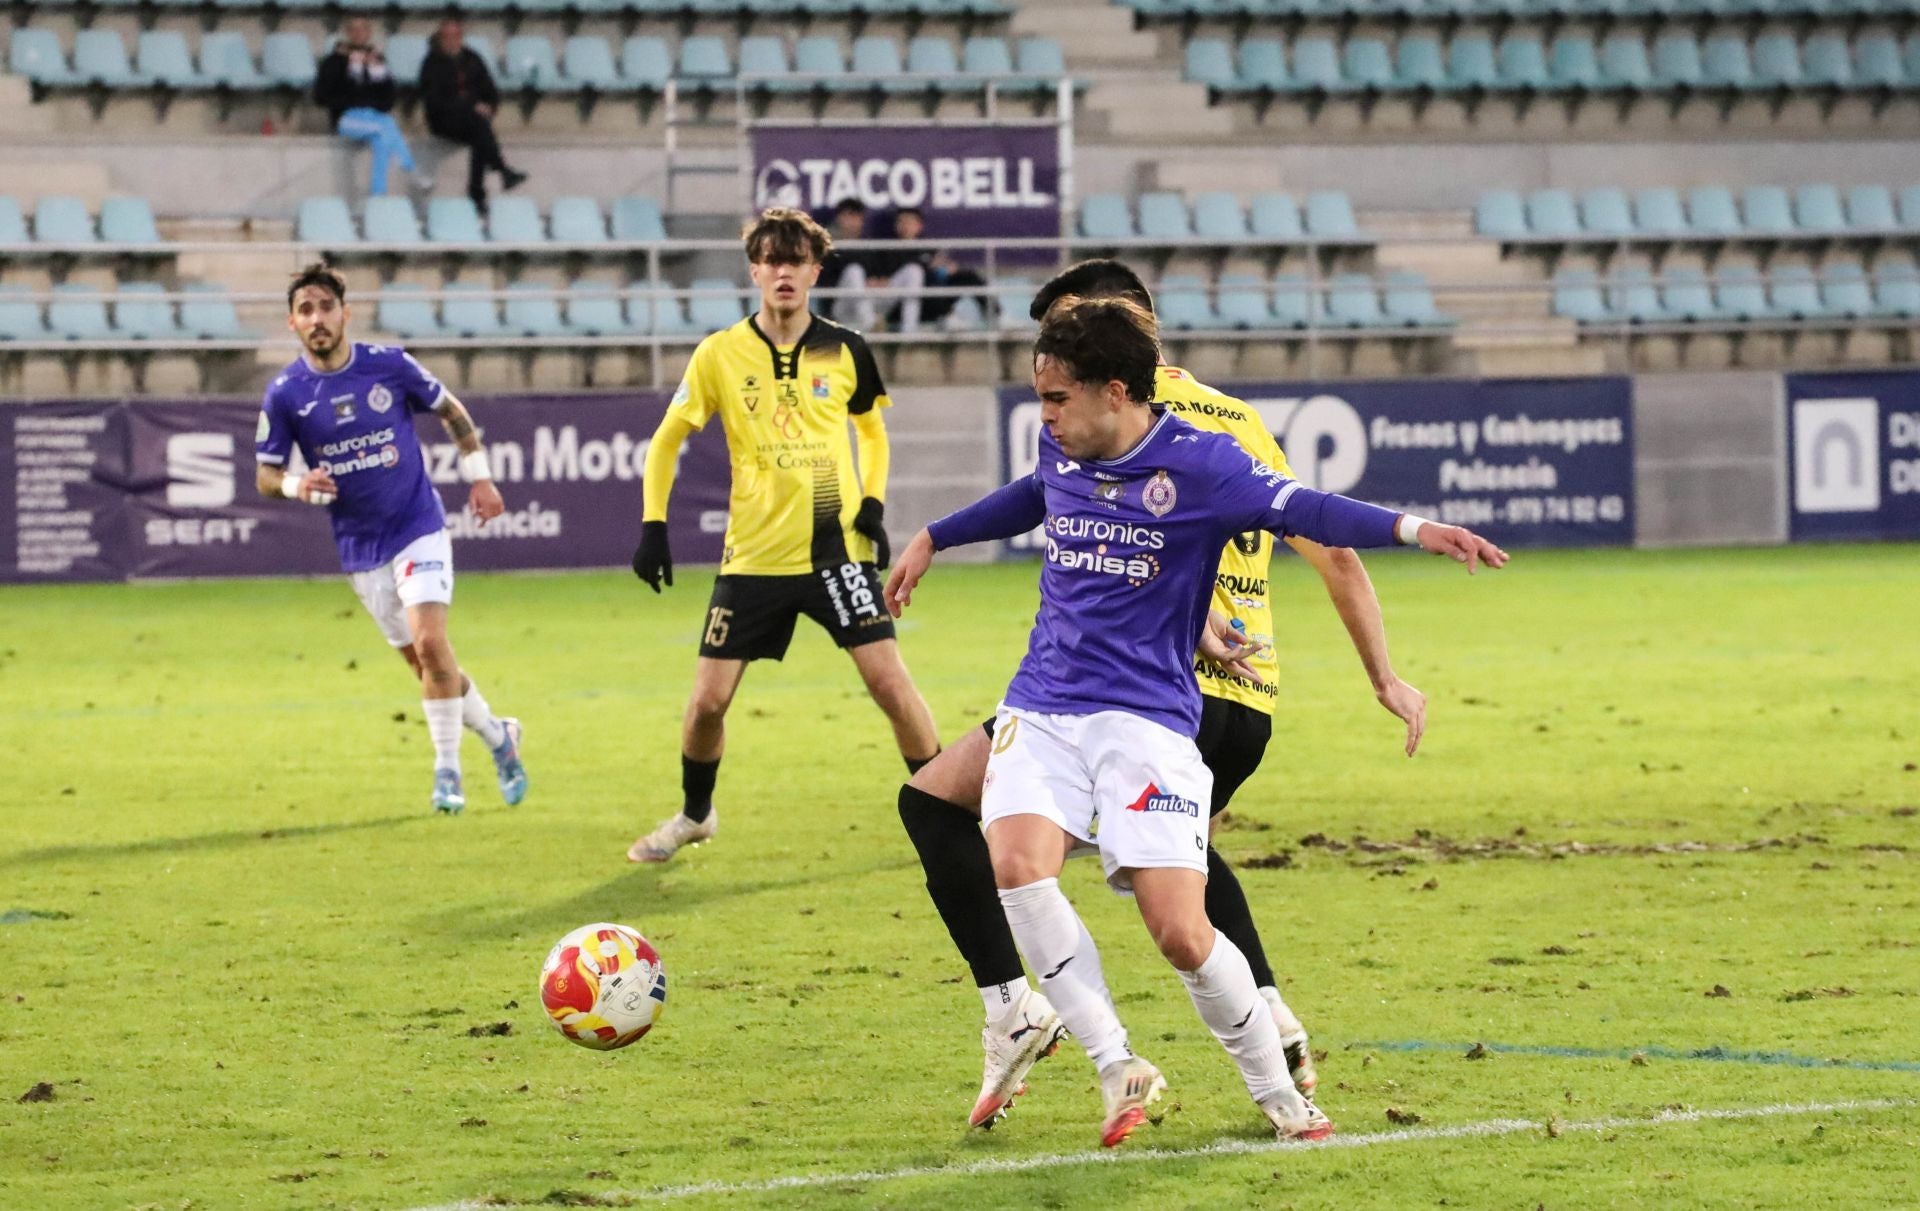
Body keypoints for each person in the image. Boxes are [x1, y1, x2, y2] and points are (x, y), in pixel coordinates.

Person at [884, 296, 1507, 1147]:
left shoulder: (1204, 463)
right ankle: (1117, 1063)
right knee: (1018, 870)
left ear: (1114, 391)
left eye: (1057, 398)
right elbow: (1036, 495)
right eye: (1040, 398)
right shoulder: (1062, 446)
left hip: (1146, 719)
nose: (1045, 415)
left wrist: (1415, 527)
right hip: (1044, 704)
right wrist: (935, 535)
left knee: (1180, 930)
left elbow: (1309, 511)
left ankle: (1281, 1094)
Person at [626, 207, 940, 863]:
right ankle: (695, 814)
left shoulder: (846, 347)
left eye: (796, 260)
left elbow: (873, 433)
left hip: (836, 552)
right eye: (771, 260)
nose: (783, 272)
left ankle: (949, 813)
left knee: (890, 684)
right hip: (754, 558)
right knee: (708, 703)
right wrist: (653, 523)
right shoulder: (719, 353)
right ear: (754, 271)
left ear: (816, 271)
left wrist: (873, 504)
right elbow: (666, 440)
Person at [255, 262, 529, 816]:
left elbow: (451, 410)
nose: (317, 319)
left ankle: (447, 772)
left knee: (431, 643)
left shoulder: (389, 365)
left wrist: (480, 477)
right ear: (292, 323)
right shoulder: (285, 394)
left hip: (416, 525)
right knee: (429, 669)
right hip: (360, 548)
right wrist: (295, 484)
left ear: (345, 313)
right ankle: (499, 736)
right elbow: (264, 475)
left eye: (325, 307)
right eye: (305, 310)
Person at [419, 19, 527, 213]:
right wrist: (471, 106)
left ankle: (478, 192)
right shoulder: (431, 63)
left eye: (456, 36)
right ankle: (500, 171)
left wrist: (489, 106)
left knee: (480, 133)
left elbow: (489, 89)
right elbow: (435, 100)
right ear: (440, 39)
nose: (452, 41)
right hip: (444, 121)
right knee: (480, 128)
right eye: (447, 37)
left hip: (473, 121)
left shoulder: (472, 58)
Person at [313, 18, 420, 198]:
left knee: (383, 134)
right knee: (384, 130)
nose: (358, 33)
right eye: (354, 29)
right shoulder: (333, 62)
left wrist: (376, 73)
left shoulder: (377, 60)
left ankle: (379, 192)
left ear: (369, 33)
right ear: (348, 33)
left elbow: (388, 98)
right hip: (346, 118)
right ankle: (410, 169)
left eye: (363, 29)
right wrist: (353, 97)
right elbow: (322, 96)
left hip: (373, 117)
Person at [872, 207, 988, 332]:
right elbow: (883, 281)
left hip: (932, 301)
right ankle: (946, 315)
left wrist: (949, 269)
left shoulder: (928, 248)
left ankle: (995, 315)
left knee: (967, 276)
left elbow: (944, 268)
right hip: (901, 306)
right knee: (922, 273)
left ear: (919, 225)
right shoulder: (887, 250)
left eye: (910, 222)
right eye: (901, 222)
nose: (905, 226)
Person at [815, 198, 873, 328]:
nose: (851, 221)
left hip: (868, 299)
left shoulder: (868, 243)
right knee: (854, 271)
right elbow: (824, 281)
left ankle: (909, 335)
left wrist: (875, 281)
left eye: (855, 216)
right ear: (838, 218)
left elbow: (878, 275)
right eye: (847, 216)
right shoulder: (827, 245)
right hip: (840, 305)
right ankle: (871, 326)